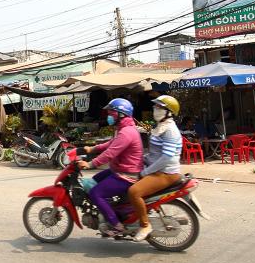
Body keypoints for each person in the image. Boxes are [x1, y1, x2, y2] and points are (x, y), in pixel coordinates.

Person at [76, 98, 142, 238]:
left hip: (126, 175)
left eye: (112, 113)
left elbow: (110, 153)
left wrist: (90, 164)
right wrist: (92, 148)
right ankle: (108, 209)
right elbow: (111, 143)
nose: (109, 116)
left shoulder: (126, 132)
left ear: (121, 114)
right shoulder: (123, 129)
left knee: (95, 193)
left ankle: (117, 226)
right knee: (94, 180)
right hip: (119, 170)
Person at [127, 95, 183, 242]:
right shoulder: (160, 127)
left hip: (166, 173)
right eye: (155, 107)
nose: (155, 110)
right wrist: (142, 158)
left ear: (169, 112)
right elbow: (155, 153)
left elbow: (166, 158)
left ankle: (145, 225)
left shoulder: (170, 130)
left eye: (159, 107)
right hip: (156, 169)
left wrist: (146, 171)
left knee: (134, 192)